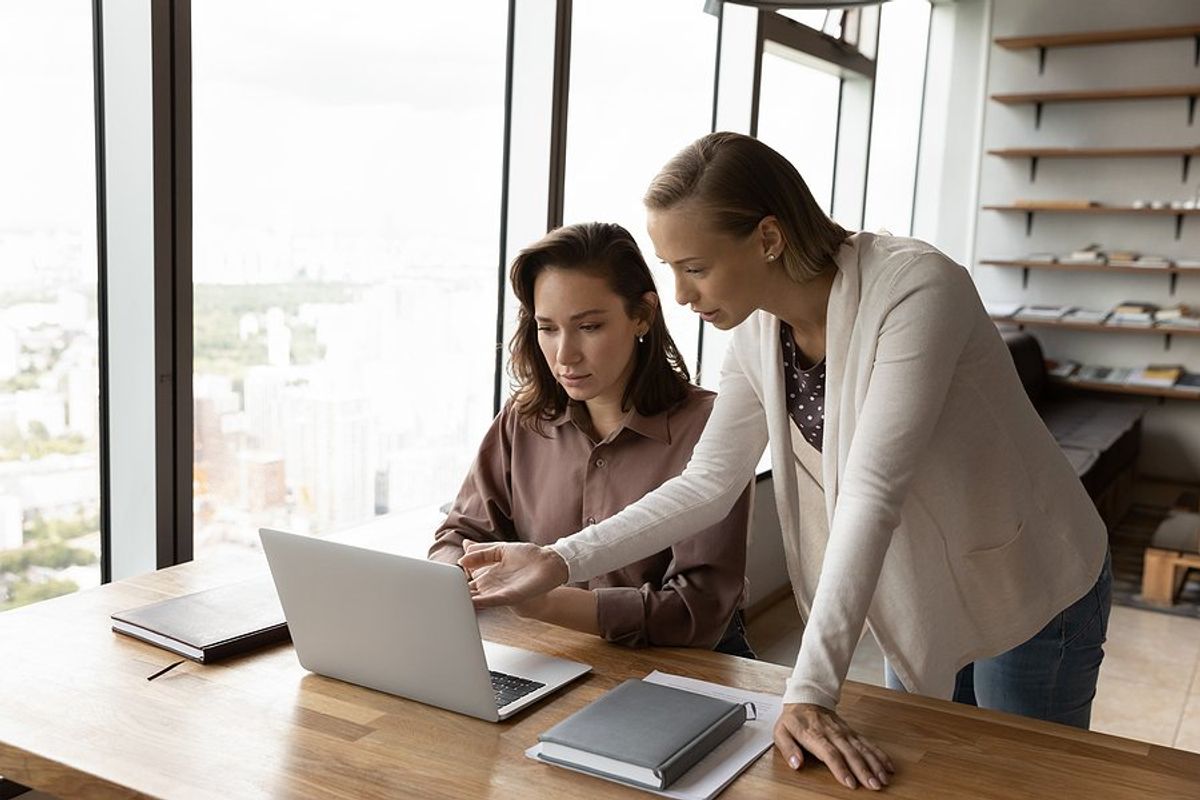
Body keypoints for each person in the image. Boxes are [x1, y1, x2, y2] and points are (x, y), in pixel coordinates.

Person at [460, 133, 1112, 792]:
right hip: (918, 583)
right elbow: (709, 483)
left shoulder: (917, 289)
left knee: (1029, 784)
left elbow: (871, 492)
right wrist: (559, 558)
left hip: (1028, 577)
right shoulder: (758, 326)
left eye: (695, 267)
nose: (681, 297)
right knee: (930, 779)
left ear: (768, 238)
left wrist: (808, 693)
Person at [430, 221, 755, 657]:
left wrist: (544, 600)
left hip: (682, 669)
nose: (564, 356)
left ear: (642, 315)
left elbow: (697, 612)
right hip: (549, 656)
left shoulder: (710, 427)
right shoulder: (524, 420)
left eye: (588, 327)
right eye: (547, 328)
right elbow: (459, 533)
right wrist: (459, 578)